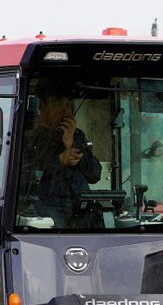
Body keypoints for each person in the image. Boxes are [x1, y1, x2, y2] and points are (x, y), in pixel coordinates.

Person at [23, 92, 103, 228]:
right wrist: (59, 160)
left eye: (68, 104)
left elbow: (95, 174)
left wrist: (71, 142)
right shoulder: (31, 137)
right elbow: (27, 176)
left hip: (82, 211)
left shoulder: (77, 135)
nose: (65, 110)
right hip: (47, 213)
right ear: (42, 106)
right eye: (58, 103)